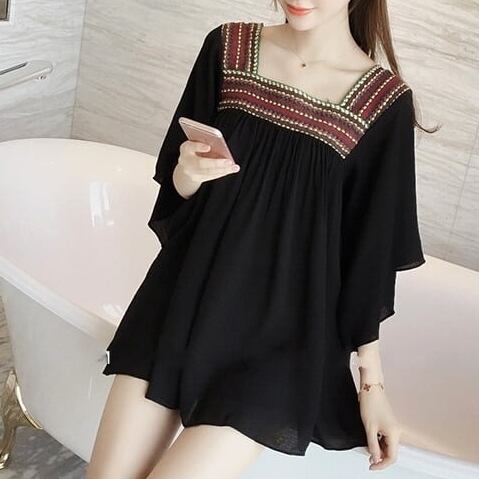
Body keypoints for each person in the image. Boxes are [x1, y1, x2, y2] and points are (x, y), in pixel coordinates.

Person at [86, 1, 429, 478]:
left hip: (278, 347)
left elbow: (367, 257)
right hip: (180, 304)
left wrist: (372, 386)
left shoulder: (383, 103)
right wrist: (187, 173)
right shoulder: (227, 47)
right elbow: (176, 193)